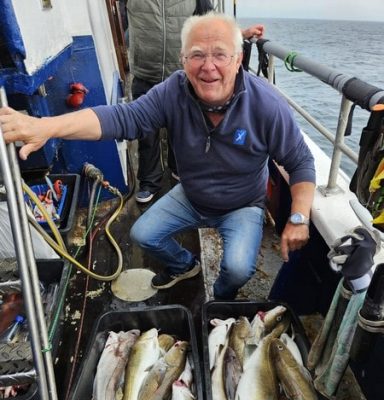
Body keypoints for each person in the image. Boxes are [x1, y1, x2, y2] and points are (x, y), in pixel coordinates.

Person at [0, 12, 315, 300]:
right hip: (192, 196)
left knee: (236, 269)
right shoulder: (173, 91)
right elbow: (121, 118)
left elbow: (300, 161)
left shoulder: (266, 105)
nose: (208, 67)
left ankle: (218, 299)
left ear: (238, 60)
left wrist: (299, 217)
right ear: (182, 59)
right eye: (197, 55)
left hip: (242, 204)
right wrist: (46, 126)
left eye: (220, 54)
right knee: (142, 234)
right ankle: (184, 266)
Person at [127, 0, 265, 203]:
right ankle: (149, 181)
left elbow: (212, 21)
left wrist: (240, 35)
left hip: (181, 72)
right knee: (146, 132)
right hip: (145, 72)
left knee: (180, 127)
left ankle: (178, 171)